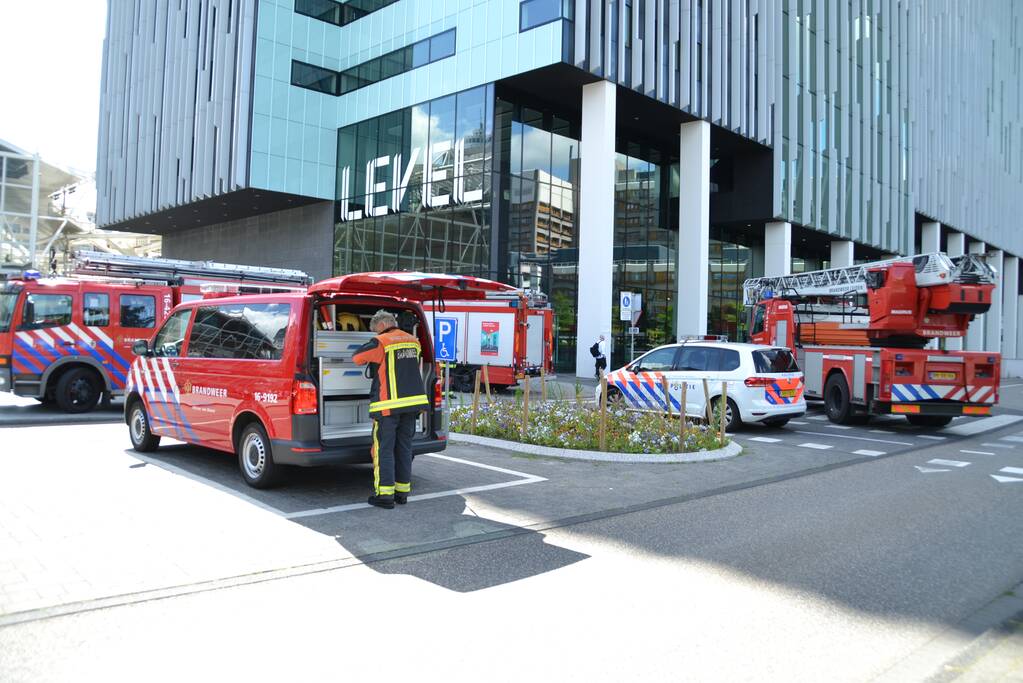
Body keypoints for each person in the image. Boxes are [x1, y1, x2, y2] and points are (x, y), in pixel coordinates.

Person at [353, 310, 430, 509]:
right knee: (404, 448)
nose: (375, 333)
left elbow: (357, 358)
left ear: (380, 325)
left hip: (388, 407)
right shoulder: (414, 341)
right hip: (412, 405)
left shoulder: (382, 341)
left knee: (384, 450)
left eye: (374, 330)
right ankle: (402, 493)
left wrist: (373, 341)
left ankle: (385, 496)